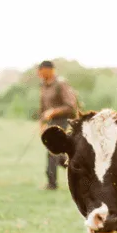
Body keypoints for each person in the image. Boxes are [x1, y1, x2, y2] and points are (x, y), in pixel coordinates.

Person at [38, 60, 77, 190]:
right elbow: (42, 107)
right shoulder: (43, 85)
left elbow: (71, 106)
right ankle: (77, 168)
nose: (39, 73)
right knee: (57, 154)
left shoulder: (61, 84)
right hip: (50, 122)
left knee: (53, 152)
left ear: (50, 70)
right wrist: (42, 124)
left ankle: (52, 183)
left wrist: (54, 111)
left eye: (42, 71)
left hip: (64, 121)